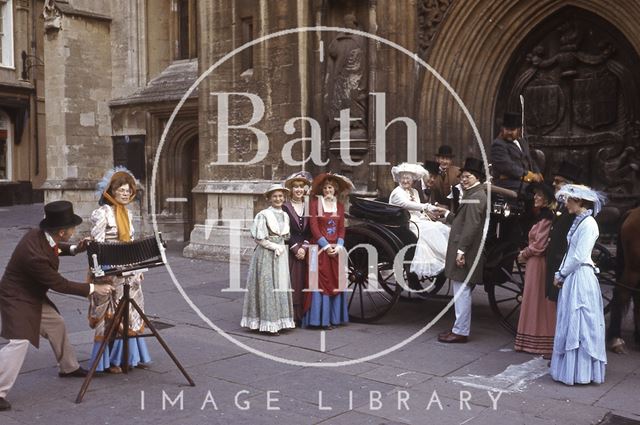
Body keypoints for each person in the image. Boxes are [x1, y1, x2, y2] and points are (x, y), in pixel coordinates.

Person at [0, 201, 112, 411]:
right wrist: (93, 288)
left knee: (57, 324)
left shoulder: (40, 235)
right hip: (16, 297)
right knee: (19, 342)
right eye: (72, 228)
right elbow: (60, 284)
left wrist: (74, 248)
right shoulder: (34, 256)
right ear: (62, 231)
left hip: (32, 294)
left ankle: (68, 368)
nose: (74, 230)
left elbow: (53, 248)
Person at [88, 168, 152, 373]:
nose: (125, 193)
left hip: (129, 271)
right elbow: (96, 246)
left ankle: (129, 356)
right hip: (109, 270)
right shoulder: (101, 213)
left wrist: (137, 267)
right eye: (122, 190)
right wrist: (99, 274)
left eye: (128, 190)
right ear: (111, 191)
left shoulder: (128, 213)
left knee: (131, 311)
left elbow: (130, 242)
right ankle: (110, 361)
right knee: (111, 314)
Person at [550, 184, 607, 385]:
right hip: (574, 274)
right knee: (572, 320)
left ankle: (582, 372)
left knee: (581, 322)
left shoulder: (589, 224)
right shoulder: (580, 221)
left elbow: (580, 256)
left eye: (569, 200)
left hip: (581, 275)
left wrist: (562, 273)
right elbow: (570, 253)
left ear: (580, 201)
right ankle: (571, 370)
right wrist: (561, 272)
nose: (565, 204)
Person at [437, 157, 488, 343]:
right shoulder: (474, 194)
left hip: (468, 250)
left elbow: (471, 227)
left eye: (468, 177)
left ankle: (460, 331)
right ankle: (459, 329)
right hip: (467, 248)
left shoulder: (476, 196)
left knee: (461, 292)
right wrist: (446, 215)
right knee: (462, 290)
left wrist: (461, 251)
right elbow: (463, 221)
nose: (464, 180)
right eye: (462, 177)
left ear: (477, 178)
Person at [241, 184, 296, 335]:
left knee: (280, 285)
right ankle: (267, 322)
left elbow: (285, 236)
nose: (278, 199)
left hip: (280, 254)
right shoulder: (263, 214)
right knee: (267, 286)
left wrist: (280, 247)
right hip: (266, 254)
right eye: (275, 196)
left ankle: (280, 320)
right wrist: (274, 246)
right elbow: (259, 238)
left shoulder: (285, 215)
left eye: (280, 196)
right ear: (269, 198)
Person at [302, 173, 353, 329]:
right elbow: (314, 228)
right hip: (319, 248)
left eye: (330, 187)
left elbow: (341, 229)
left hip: (336, 249)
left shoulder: (340, 206)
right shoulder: (315, 204)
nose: (327, 190)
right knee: (319, 283)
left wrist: (339, 246)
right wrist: (325, 246)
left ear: (335, 189)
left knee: (336, 281)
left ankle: (334, 318)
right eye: (325, 188)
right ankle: (319, 320)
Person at [514, 183, 556, 357]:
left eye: (539, 195)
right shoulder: (542, 216)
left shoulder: (546, 217)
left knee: (537, 298)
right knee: (534, 298)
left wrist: (524, 253)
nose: (535, 198)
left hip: (538, 262)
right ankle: (533, 339)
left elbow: (539, 245)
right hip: (535, 263)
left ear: (546, 199)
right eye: (535, 195)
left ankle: (540, 340)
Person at [389, 163, 450, 279]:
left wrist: (428, 216)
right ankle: (444, 258)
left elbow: (417, 212)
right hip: (404, 224)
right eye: (403, 178)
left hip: (417, 220)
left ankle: (447, 257)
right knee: (432, 229)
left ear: (413, 180)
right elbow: (408, 204)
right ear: (399, 179)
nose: (405, 181)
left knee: (440, 226)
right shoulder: (397, 193)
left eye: (408, 178)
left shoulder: (414, 192)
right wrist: (426, 207)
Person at [545, 160, 582, 302]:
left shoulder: (573, 212)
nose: (554, 184)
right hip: (555, 262)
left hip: (561, 262)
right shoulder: (562, 206)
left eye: (558, 181)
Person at [282, 171, 313, 325]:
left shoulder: (308, 207)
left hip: (304, 249)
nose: (299, 190)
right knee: (292, 282)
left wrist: (304, 248)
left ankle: (302, 315)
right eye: (295, 187)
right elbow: (284, 229)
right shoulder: (285, 207)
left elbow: (310, 230)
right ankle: (290, 315)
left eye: (301, 187)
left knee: (303, 282)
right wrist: (296, 248)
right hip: (290, 248)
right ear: (291, 190)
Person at [491, 112, 542, 192]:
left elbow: (531, 160)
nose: (509, 133)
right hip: (507, 182)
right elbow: (508, 167)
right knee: (529, 191)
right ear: (502, 129)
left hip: (523, 180)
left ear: (519, 130)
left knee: (545, 189)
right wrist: (531, 176)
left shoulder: (522, 142)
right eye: (506, 129)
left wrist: (538, 174)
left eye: (512, 130)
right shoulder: (498, 145)